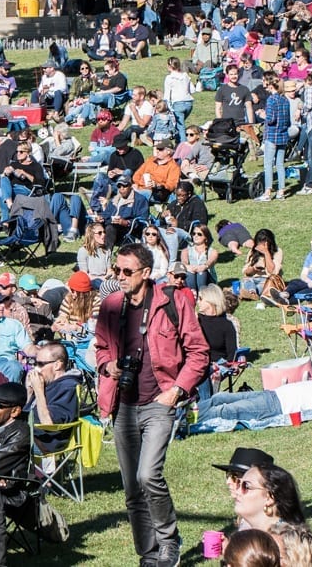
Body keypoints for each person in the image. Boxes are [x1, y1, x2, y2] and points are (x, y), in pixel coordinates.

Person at [94, 243, 209, 567]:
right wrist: (108, 366)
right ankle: (149, 554)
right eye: (117, 270)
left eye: (127, 271)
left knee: (148, 475)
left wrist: (176, 390)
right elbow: (100, 347)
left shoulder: (172, 301)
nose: (120, 276)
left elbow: (199, 352)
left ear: (146, 273)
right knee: (132, 487)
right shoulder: (112, 305)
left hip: (159, 400)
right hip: (123, 405)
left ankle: (169, 541)